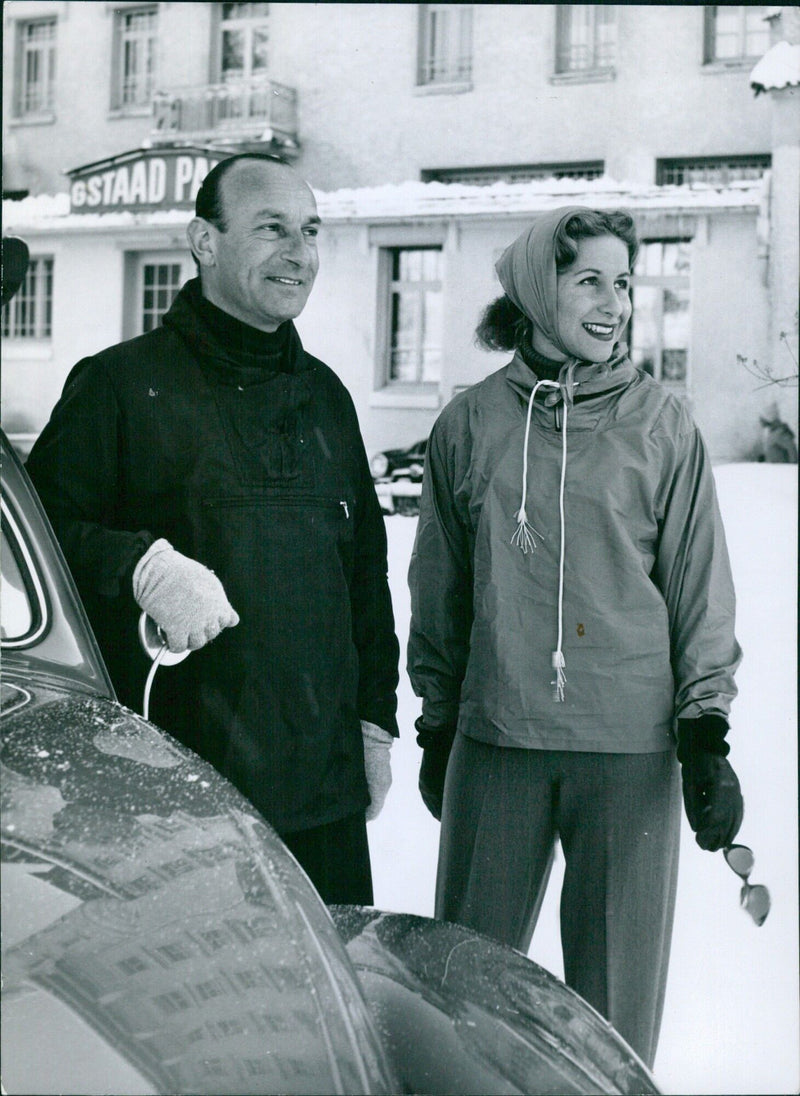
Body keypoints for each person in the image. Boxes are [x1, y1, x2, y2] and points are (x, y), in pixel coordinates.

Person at [407, 206, 744, 1068]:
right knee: (461, 999)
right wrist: (438, 718)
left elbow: (699, 588)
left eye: (623, 282)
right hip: (499, 738)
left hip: (628, 752)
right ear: (533, 291)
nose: (614, 304)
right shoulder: (469, 424)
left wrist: (705, 733)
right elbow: (439, 589)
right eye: (588, 280)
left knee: (615, 1015)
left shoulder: (663, 426)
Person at [26, 153, 399, 905]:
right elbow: (38, 539)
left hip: (321, 793)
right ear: (204, 240)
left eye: (310, 232)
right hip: (175, 797)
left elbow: (363, 574)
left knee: (324, 1007)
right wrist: (141, 566)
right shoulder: (120, 386)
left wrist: (375, 722)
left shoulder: (326, 396)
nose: (300, 255)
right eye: (272, 229)